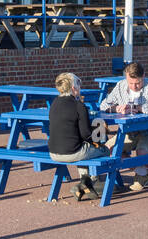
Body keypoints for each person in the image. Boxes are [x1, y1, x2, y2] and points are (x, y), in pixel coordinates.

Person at [99, 61, 148, 192]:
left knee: (142, 152)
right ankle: (142, 171)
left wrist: (137, 108)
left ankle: (141, 175)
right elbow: (103, 105)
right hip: (130, 131)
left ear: (143, 76)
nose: (134, 86)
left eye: (137, 83)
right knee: (107, 149)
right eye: (130, 83)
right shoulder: (121, 86)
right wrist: (117, 108)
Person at [48, 72, 112, 200]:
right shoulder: (79, 106)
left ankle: (84, 182)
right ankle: (92, 182)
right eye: (79, 85)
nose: (80, 88)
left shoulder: (54, 103)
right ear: (74, 88)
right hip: (72, 152)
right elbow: (86, 134)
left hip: (54, 153)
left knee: (84, 149)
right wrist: (100, 132)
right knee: (104, 150)